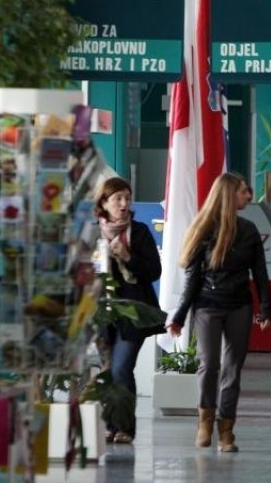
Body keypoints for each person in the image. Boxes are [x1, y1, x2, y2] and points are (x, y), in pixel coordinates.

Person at [166, 173, 271, 453]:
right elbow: (192, 279)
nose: (247, 196)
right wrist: (178, 316)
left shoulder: (249, 230)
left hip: (239, 304)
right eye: (242, 192)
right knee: (209, 364)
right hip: (207, 305)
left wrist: (265, 310)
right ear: (228, 195)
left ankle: (226, 430)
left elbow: (260, 274)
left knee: (232, 369)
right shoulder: (204, 230)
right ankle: (205, 421)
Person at [94, 177, 162, 444]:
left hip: (133, 311)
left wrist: (127, 257)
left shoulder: (140, 232)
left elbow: (153, 271)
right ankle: (111, 426)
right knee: (107, 370)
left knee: (122, 366)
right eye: (117, 199)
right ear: (104, 203)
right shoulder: (91, 232)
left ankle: (125, 428)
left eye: (127, 198)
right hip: (100, 311)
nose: (124, 204)